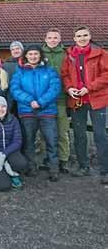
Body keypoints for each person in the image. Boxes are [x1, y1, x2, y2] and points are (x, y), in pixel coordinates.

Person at [61, 26, 108, 183]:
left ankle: (105, 170)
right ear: (74, 38)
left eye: (85, 35)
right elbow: (65, 74)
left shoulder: (101, 53)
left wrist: (89, 87)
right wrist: (69, 88)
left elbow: (106, 75)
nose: (82, 38)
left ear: (90, 36)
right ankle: (83, 166)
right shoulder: (69, 56)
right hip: (77, 101)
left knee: (100, 135)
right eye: (79, 36)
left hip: (97, 99)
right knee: (79, 134)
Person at [10, 44, 61, 181]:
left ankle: (53, 168)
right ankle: (30, 167)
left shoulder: (49, 71)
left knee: (51, 140)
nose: (33, 57)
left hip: (47, 111)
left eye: (36, 54)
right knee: (29, 141)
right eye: (30, 54)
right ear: (25, 55)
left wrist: (41, 102)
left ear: (40, 56)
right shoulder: (19, 72)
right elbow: (15, 89)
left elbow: (55, 88)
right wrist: (30, 100)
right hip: (27, 111)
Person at [42, 28, 70, 173]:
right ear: (45, 39)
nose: (52, 40)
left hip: (60, 98)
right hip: (43, 99)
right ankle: (44, 158)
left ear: (59, 40)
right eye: (50, 38)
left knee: (61, 130)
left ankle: (63, 159)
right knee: (43, 132)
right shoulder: (39, 54)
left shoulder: (66, 55)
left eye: (55, 38)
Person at [2, 41, 24, 113]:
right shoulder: (6, 65)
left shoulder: (27, 62)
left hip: (24, 94)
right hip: (10, 95)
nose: (15, 51)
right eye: (13, 49)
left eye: (17, 48)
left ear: (22, 50)